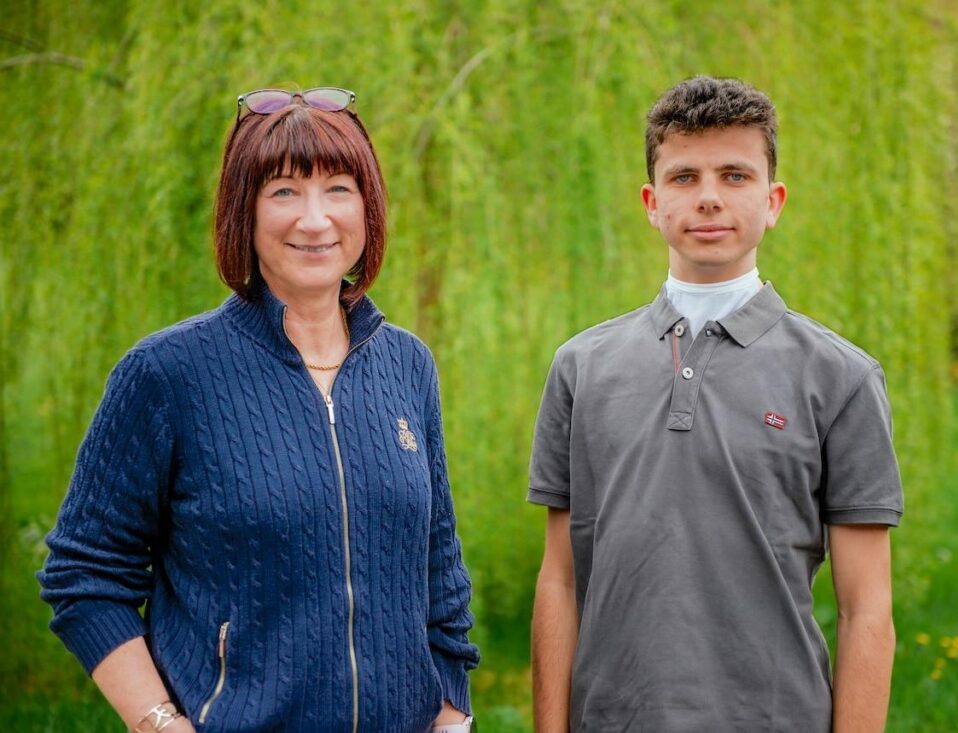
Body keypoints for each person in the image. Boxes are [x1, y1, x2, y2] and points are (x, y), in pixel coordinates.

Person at [38, 87, 478, 733]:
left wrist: (453, 713)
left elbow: (439, 569)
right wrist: (159, 721)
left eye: (338, 189)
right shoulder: (166, 373)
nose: (315, 219)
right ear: (243, 211)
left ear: (368, 207)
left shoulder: (407, 363)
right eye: (284, 192)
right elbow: (85, 575)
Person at [529, 76, 903, 732]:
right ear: (651, 203)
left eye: (735, 175)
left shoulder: (841, 377)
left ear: (773, 200)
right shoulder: (581, 368)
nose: (708, 197)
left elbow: (866, 609)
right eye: (684, 177)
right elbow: (560, 580)